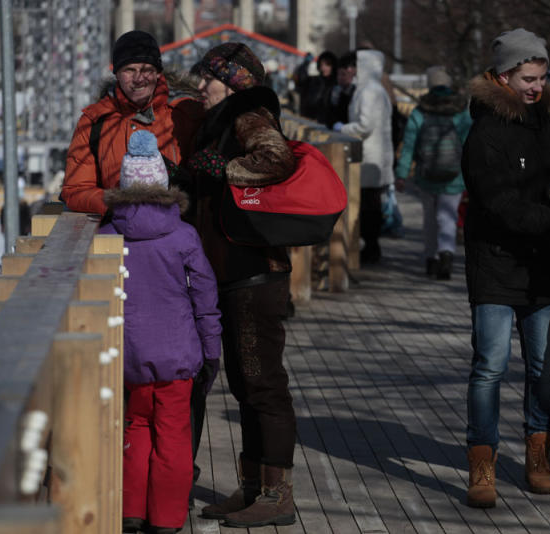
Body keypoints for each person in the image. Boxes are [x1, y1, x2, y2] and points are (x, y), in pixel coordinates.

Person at [184, 42, 298, 528]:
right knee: (244, 383)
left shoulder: (247, 114)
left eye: (209, 78)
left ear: (233, 81)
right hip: (233, 271)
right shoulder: (224, 120)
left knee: (262, 383)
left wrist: (224, 169)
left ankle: (277, 494)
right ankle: (253, 486)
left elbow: (278, 158)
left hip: (255, 271)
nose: (201, 87)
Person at [461, 28, 550, 507]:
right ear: (503, 76)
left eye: (542, 76)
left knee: (543, 370)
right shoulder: (484, 132)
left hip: (543, 264)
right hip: (496, 262)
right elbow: (497, 202)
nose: (536, 85)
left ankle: (538, 450)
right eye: (528, 77)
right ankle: (482, 461)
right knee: (489, 366)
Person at [100, 130, 221, 534]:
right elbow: (205, 298)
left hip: (129, 356)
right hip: (177, 357)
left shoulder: (108, 238)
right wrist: (211, 351)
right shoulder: (184, 236)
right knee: (173, 437)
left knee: (135, 428)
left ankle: (131, 510)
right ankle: (167, 519)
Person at [61, 30, 203, 215]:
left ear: (158, 74)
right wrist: (121, 205)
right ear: (117, 74)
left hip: (179, 229)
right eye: (129, 70)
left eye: (146, 70)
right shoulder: (95, 121)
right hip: (119, 234)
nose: (138, 79)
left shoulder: (186, 113)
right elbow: (76, 189)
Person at [395, 65, 471, 280]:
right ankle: (446, 254)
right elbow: (468, 145)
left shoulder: (421, 111)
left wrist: (401, 175)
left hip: (426, 175)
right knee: (448, 216)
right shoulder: (460, 111)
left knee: (429, 219)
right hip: (454, 176)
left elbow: (409, 145)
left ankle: (431, 259)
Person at [333, 49, 394, 264]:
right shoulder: (373, 89)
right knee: (370, 203)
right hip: (373, 155)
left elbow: (365, 125)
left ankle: (371, 246)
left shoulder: (369, 91)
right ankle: (370, 245)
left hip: (369, 156)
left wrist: (343, 128)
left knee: (368, 204)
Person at [320, 52, 356, 129]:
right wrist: (334, 123)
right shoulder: (335, 91)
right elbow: (329, 114)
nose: (340, 77)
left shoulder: (355, 92)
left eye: (343, 74)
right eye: (338, 74)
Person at [298, 51, 337, 120]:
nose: (324, 68)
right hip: (313, 118)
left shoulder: (336, 83)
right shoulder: (314, 81)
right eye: (322, 65)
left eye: (327, 65)